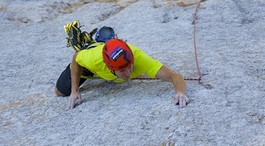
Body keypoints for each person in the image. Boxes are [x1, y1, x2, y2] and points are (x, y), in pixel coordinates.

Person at [55, 36, 190, 110]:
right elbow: (76, 57)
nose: (128, 73)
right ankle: (96, 42)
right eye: (122, 70)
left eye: (130, 67)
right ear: (110, 68)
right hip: (91, 66)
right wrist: (74, 90)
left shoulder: (138, 58)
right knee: (59, 92)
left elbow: (175, 76)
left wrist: (180, 92)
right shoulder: (93, 60)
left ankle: (107, 39)